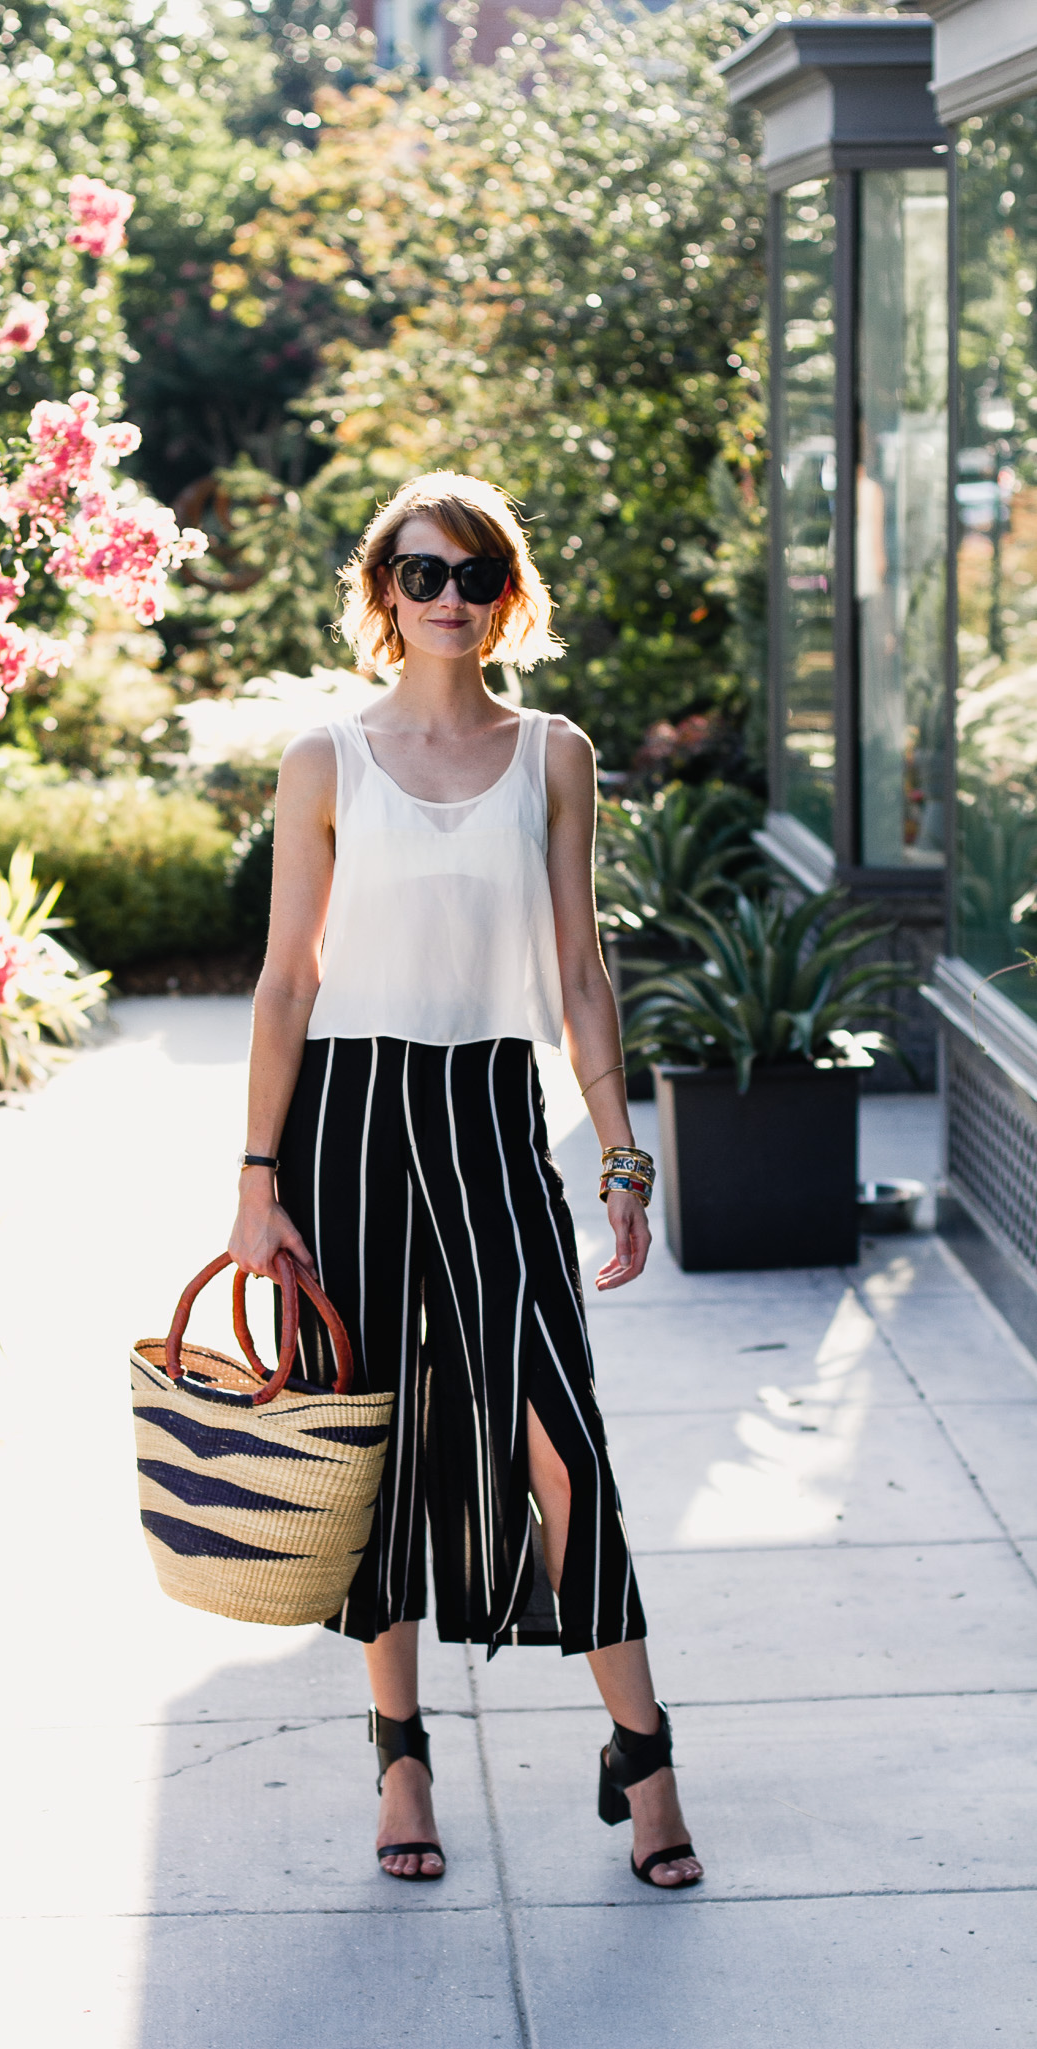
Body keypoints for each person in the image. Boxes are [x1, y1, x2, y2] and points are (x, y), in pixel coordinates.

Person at [227, 471, 702, 1891]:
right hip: (351, 1116)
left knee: (559, 1436)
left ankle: (644, 1753)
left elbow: (576, 975)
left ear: (508, 593)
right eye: (423, 574)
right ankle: (399, 1748)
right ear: (384, 595)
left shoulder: (555, 752)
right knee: (366, 1438)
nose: (450, 597)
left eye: (475, 573)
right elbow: (280, 984)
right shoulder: (324, 758)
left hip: (491, 1115)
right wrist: (257, 1179)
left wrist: (619, 1154)